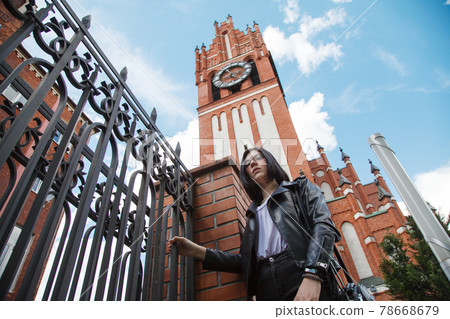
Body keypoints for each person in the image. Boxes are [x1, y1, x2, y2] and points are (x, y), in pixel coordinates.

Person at [167, 147, 341, 301]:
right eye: (247, 164)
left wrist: (314, 274)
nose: (252, 164)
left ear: (270, 161)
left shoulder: (299, 188)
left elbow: (324, 226)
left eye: (258, 158)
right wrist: (197, 250)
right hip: (266, 286)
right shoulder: (252, 213)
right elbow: (245, 262)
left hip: (301, 272)